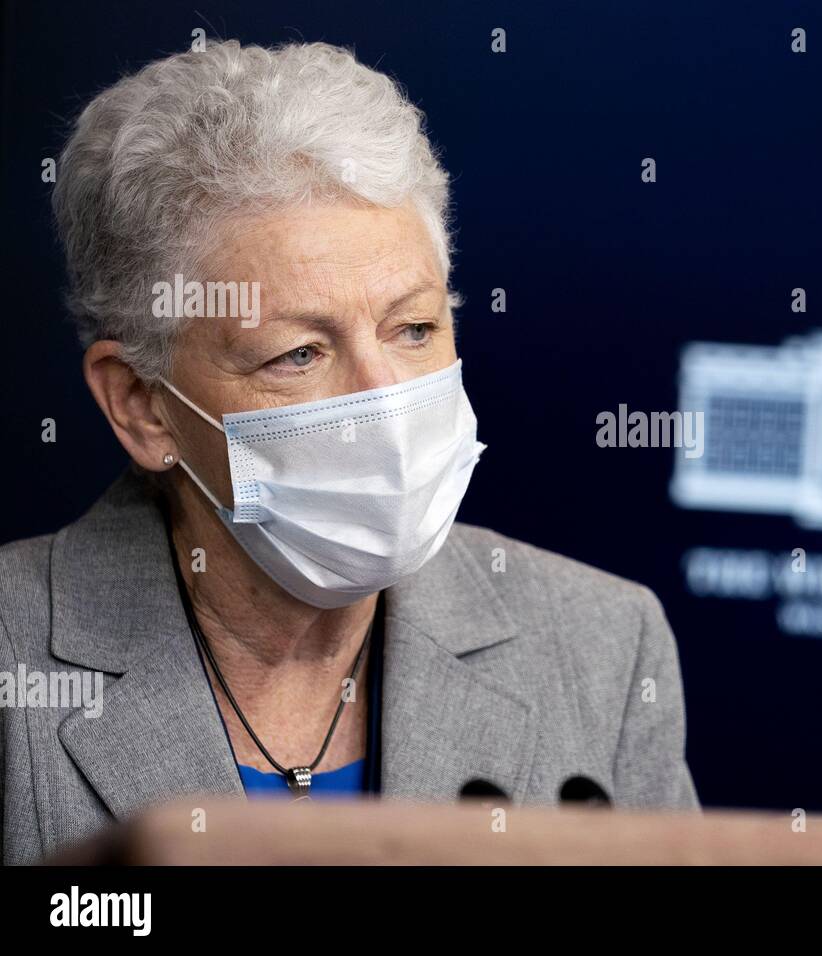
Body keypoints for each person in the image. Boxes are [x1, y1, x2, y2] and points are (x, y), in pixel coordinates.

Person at [0, 40, 698, 865]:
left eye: (413, 329)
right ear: (143, 405)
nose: (382, 402)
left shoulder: (603, 646)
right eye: (299, 353)